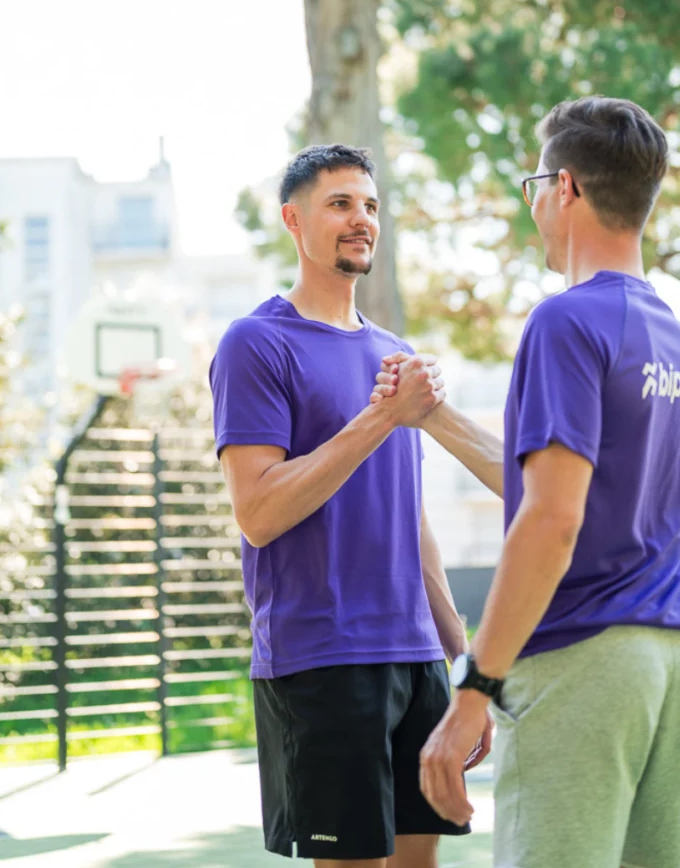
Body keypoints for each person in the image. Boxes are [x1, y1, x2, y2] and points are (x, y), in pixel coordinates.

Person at [372, 97, 680, 868]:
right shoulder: (664, 329)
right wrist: (437, 418)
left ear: (563, 188)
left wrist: (472, 690)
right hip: (677, 658)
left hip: (585, 660)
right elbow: (571, 494)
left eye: (533, 183)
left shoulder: (564, 321)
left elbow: (552, 522)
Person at [210, 143, 491, 867]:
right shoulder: (255, 344)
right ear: (293, 221)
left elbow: (411, 520)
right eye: (339, 204)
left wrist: (461, 663)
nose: (360, 219)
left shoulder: (396, 354)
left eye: (369, 205)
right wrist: (378, 419)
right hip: (322, 660)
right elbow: (259, 513)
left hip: (418, 658)